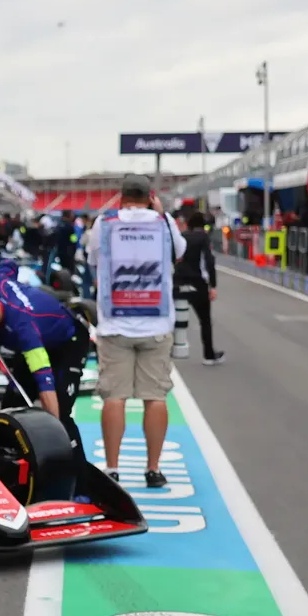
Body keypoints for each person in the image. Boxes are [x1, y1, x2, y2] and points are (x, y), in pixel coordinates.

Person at [84, 173, 184, 489]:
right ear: (150, 196)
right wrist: (160, 212)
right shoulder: (164, 222)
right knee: (155, 397)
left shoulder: (105, 222)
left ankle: (112, 469)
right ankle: (153, 469)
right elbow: (178, 254)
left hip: (115, 322)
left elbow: (92, 258)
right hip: (156, 321)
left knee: (114, 396)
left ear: (122, 197)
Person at [0, 280, 89, 423]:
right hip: (39, 335)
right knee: (11, 408)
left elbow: (43, 379)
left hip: (68, 341)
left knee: (61, 412)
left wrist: (55, 430)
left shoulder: (23, 328)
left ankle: (66, 440)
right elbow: (8, 264)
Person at [175, 206, 224, 365]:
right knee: (205, 320)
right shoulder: (203, 238)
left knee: (173, 320)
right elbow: (209, 261)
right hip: (197, 283)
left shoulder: (181, 237)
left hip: (178, 282)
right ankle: (208, 355)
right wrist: (213, 285)